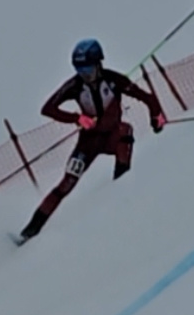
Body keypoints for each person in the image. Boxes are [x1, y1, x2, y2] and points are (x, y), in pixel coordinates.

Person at [14, 39, 166, 243]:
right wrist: (77, 118)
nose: (85, 75)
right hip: (89, 142)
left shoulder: (114, 81)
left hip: (112, 135)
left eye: (88, 69)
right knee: (67, 183)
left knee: (125, 131)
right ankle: (30, 231)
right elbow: (48, 108)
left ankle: (122, 190)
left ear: (98, 64)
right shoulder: (75, 86)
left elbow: (148, 98)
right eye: (80, 70)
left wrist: (156, 117)